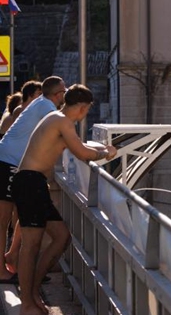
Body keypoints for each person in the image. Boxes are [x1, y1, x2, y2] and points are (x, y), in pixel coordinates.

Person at [11, 84, 116, 315]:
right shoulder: (62, 122)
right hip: (30, 183)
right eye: (87, 110)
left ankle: (34, 292)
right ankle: (27, 303)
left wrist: (97, 148)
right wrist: (106, 153)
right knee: (31, 246)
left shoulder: (57, 118)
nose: (85, 114)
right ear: (81, 107)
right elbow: (82, 153)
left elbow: (79, 145)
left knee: (61, 237)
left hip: (34, 184)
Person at [0, 76, 65, 283]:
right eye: (64, 91)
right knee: (2, 221)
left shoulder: (41, 103)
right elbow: (63, 135)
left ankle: (12, 257)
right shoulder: (47, 108)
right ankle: (1, 271)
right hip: (8, 162)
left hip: (13, 163)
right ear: (59, 94)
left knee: (23, 211)